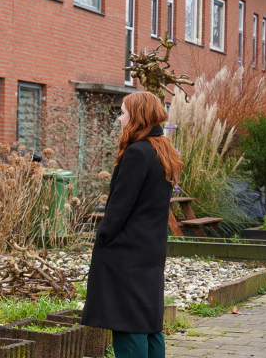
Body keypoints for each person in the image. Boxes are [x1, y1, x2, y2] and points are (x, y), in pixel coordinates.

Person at [81, 90, 184, 358]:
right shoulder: (164, 150)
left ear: (138, 117)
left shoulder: (138, 153)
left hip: (126, 252)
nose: (119, 119)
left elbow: (119, 208)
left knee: (127, 325)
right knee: (149, 323)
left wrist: (102, 240)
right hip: (151, 248)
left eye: (123, 113)